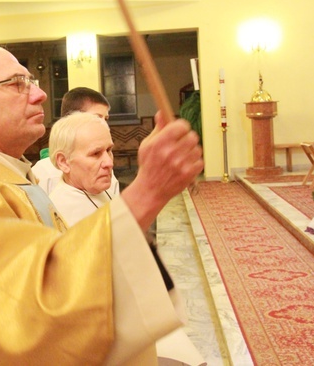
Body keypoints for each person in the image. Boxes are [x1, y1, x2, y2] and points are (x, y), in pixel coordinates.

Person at [0, 45, 203, 364]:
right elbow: (32, 316)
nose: (40, 95)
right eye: (16, 83)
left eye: (32, 81)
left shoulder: (6, 174)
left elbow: (57, 257)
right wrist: (148, 190)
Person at [48, 111, 205, 365]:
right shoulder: (62, 211)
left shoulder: (97, 187)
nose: (109, 162)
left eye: (109, 150)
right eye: (96, 154)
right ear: (64, 162)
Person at [31, 87, 119, 196]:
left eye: (105, 119)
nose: (103, 125)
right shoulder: (44, 173)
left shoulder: (105, 166)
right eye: (96, 118)